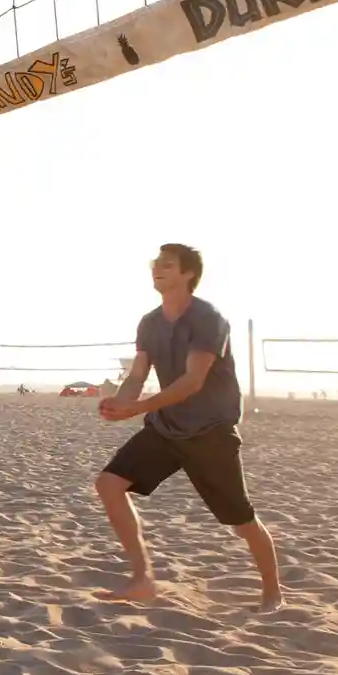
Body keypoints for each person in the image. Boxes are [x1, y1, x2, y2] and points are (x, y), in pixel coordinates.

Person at [96, 243, 282, 612]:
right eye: (156, 264)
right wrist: (121, 401)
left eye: (168, 265)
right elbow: (137, 375)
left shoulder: (206, 319)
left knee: (241, 520)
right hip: (166, 428)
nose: (158, 269)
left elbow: (192, 381)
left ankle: (273, 592)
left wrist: (139, 407)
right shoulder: (149, 322)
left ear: (188, 274)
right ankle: (142, 579)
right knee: (109, 484)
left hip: (210, 432)